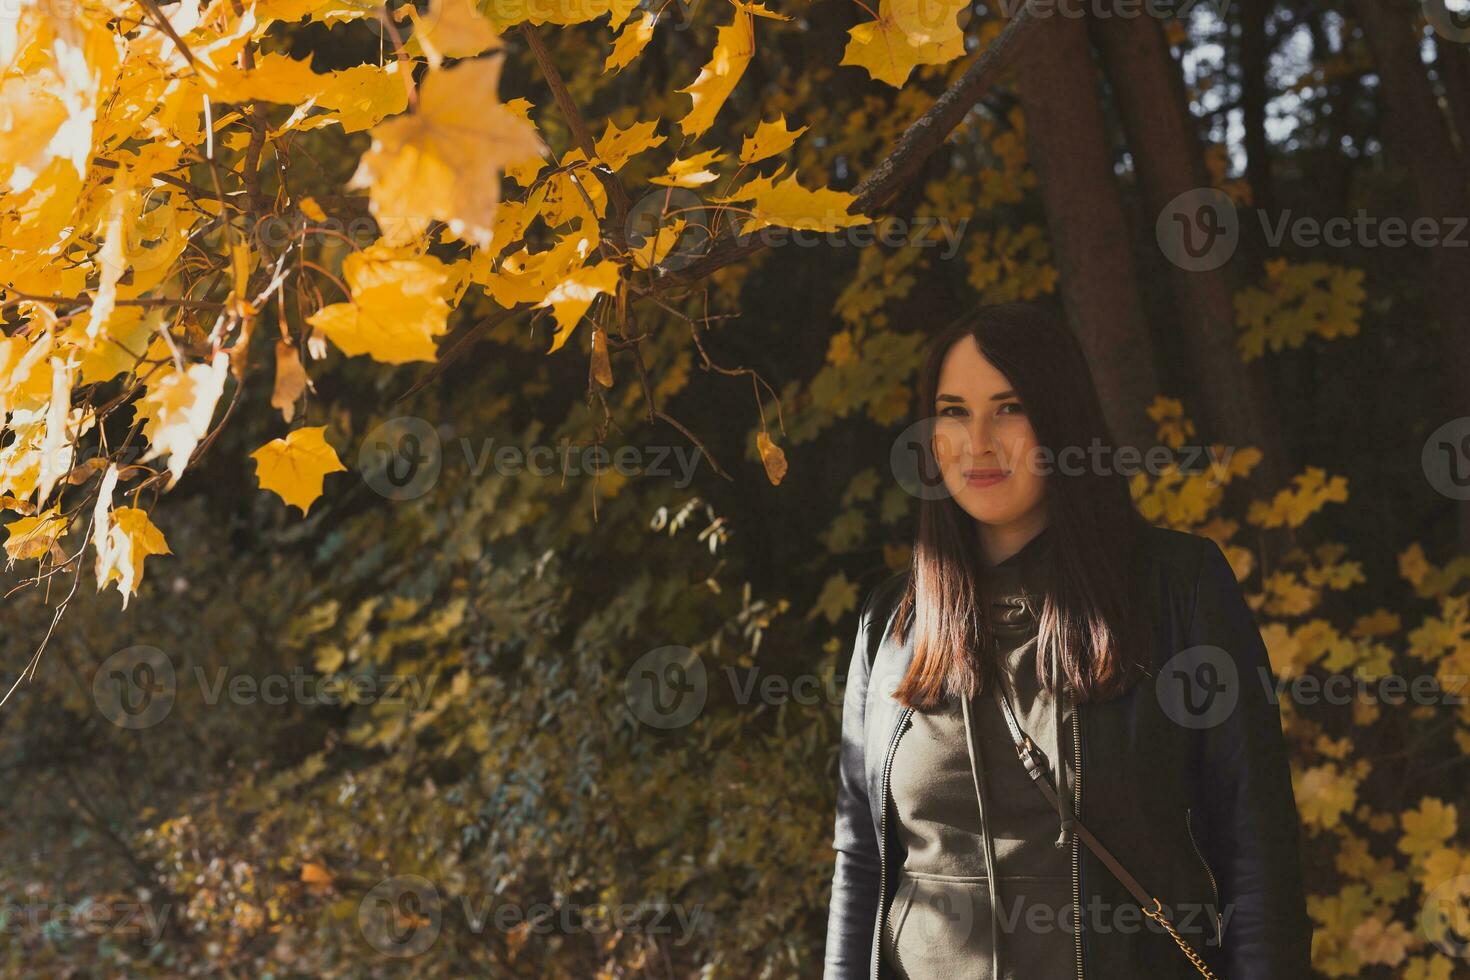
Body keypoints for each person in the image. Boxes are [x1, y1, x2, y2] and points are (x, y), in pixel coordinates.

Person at [822, 302, 1312, 979]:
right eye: (954, 411)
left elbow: (1258, 850)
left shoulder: (1177, 589)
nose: (980, 441)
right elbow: (862, 864)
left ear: (1063, 419)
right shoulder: (891, 624)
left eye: (1010, 407)